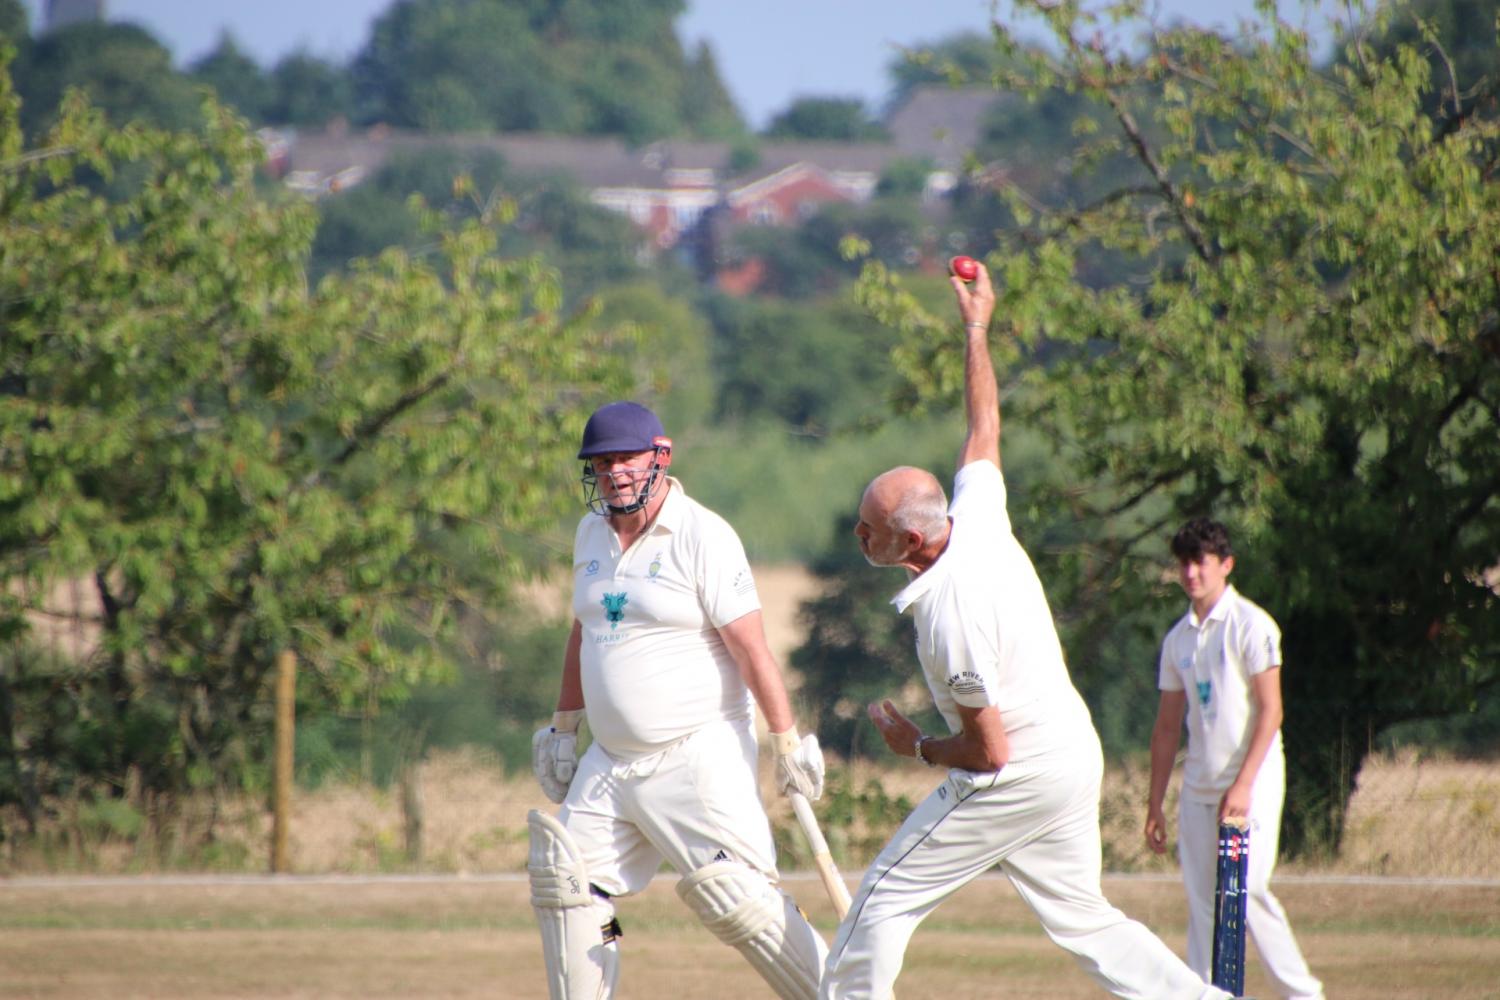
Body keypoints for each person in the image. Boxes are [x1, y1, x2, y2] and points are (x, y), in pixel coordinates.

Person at [820, 262, 1232, 1000]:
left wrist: (916, 745)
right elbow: (984, 425)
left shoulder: (948, 613)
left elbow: (988, 751)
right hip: (1074, 753)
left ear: (911, 543)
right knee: (1085, 920)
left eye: (869, 530)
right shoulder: (975, 515)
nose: (859, 538)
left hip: (1021, 769)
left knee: (882, 897)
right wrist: (976, 326)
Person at [527, 400, 829, 1000]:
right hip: (610, 761)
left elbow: (751, 649)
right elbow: (583, 632)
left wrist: (785, 739)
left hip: (695, 752)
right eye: (602, 461)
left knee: (737, 897)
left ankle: (844, 994)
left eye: (627, 459)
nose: (614, 473)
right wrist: (564, 728)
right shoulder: (590, 533)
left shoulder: (703, 534)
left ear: (660, 457)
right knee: (565, 881)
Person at [1145, 518, 1324, 999]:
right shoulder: (1178, 639)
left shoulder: (1252, 624)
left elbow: (1272, 711)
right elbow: (1165, 729)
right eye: (1183, 563)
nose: (1190, 573)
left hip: (1254, 781)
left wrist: (1243, 785)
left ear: (1225, 565)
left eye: (1200, 562)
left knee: (1249, 895)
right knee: (1203, 905)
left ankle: (1304, 995)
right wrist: (1154, 804)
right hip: (1200, 786)